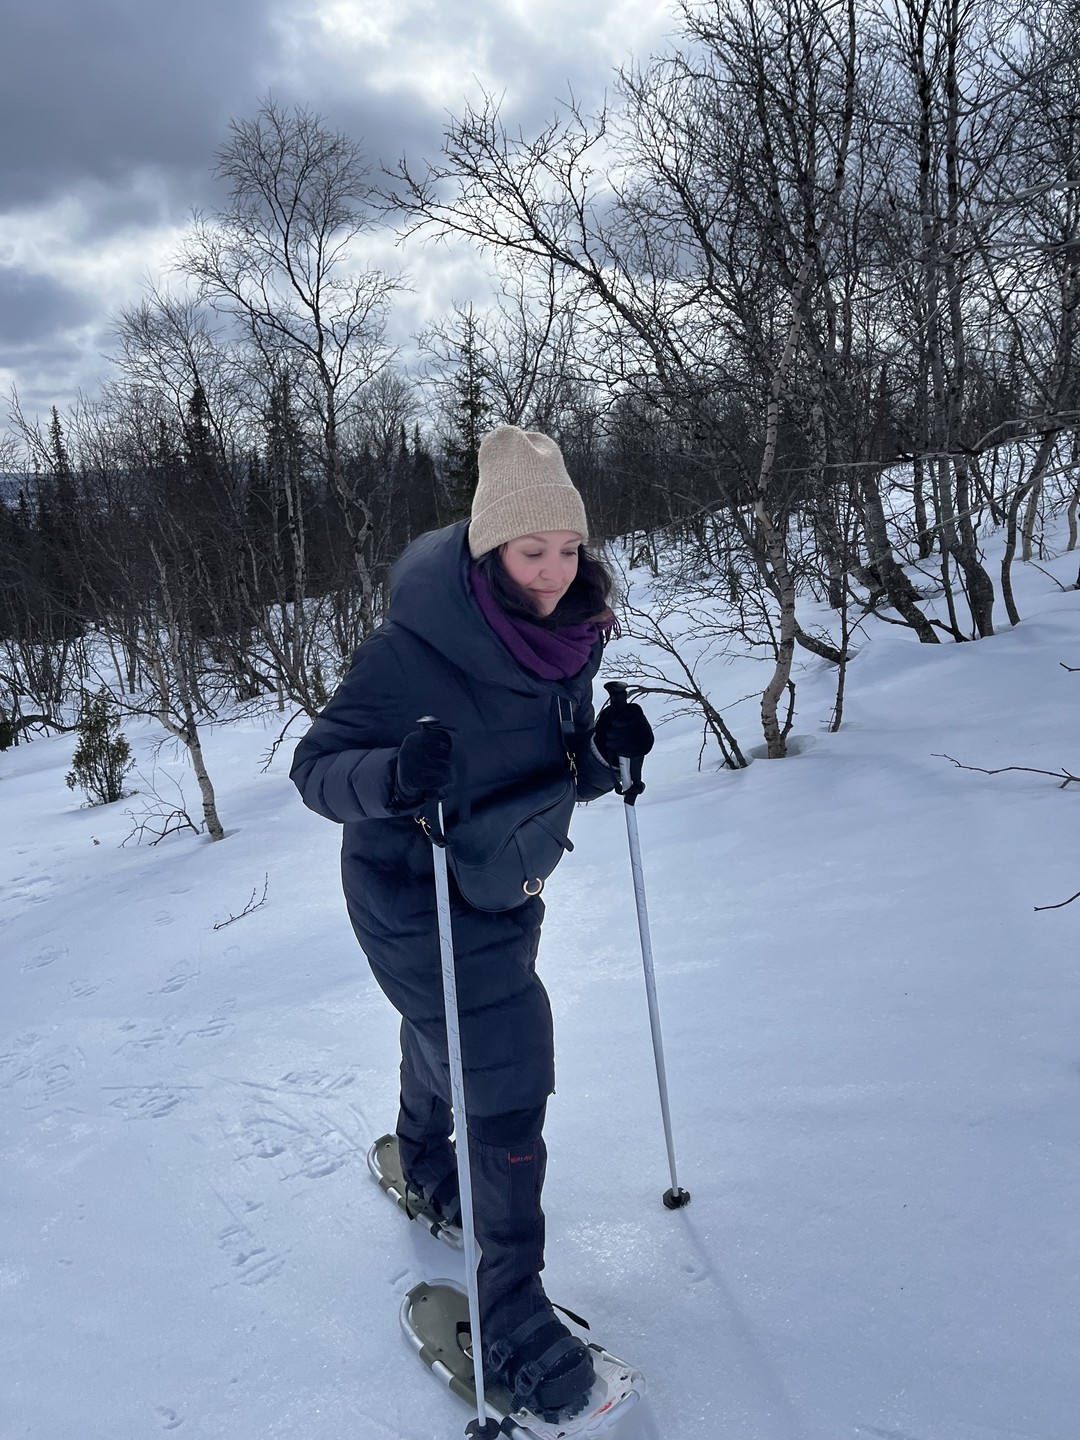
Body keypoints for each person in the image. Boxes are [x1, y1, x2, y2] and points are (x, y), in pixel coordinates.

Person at [290, 426, 653, 1421]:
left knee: (448, 1029)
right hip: (411, 897)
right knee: (506, 1073)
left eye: (569, 548)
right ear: (491, 549)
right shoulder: (409, 652)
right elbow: (316, 771)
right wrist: (394, 774)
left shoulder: (566, 636)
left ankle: (423, 1154)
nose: (555, 571)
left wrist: (605, 754)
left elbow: (553, 763)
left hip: (501, 885)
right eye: (532, 551)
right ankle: (512, 1317)